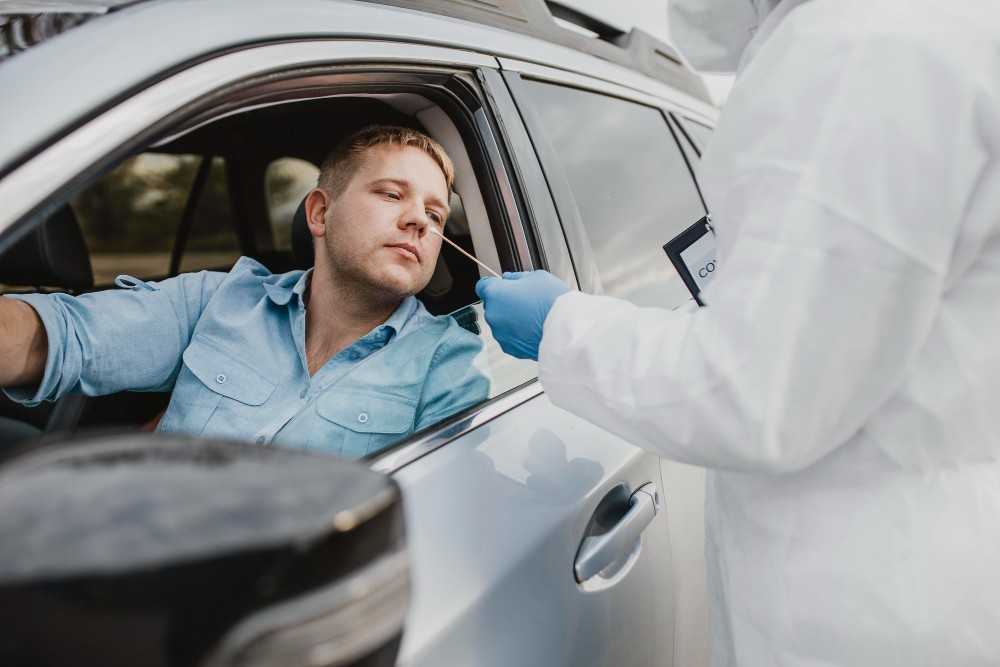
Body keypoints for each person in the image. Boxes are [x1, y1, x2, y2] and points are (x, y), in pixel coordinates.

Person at [476, 1, 1000, 665]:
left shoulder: (860, 47)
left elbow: (761, 387)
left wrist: (562, 326)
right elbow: (794, 322)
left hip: (873, 600)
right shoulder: (878, 36)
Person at [0, 125, 488, 457]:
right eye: (391, 194)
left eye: (436, 215)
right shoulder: (218, 300)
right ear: (319, 213)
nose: (418, 221)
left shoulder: (454, 364)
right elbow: (55, 337)